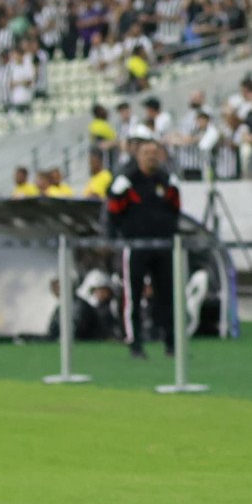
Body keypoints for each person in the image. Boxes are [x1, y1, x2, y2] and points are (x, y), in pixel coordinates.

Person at [106, 138, 183, 358]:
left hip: (162, 245)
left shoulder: (167, 180)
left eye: (154, 152)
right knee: (133, 295)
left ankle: (171, 342)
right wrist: (123, 234)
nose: (151, 156)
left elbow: (175, 209)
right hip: (136, 246)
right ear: (138, 156)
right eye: (146, 152)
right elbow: (114, 210)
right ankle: (135, 343)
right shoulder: (127, 181)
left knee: (167, 294)